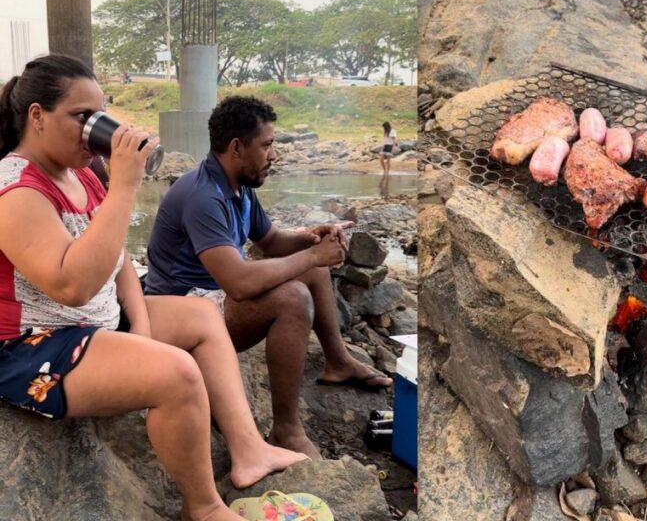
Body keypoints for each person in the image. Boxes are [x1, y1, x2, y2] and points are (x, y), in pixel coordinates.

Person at [0, 54, 307, 521]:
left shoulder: (82, 172)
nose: (95, 128)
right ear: (37, 116)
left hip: (96, 321)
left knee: (203, 315)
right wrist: (125, 186)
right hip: (35, 343)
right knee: (176, 374)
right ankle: (203, 508)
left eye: (100, 114)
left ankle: (248, 449)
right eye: (83, 117)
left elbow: (119, 257)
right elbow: (72, 286)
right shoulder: (16, 189)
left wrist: (139, 328)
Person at [144, 96, 393, 460]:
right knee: (293, 298)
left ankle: (337, 361)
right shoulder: (202, 197)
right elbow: (239, 284)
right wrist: (312, 254)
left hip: (211, 298)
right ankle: (286, 429)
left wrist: (311, 239)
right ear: (236, 148)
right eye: (267, 146)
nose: (273, 155)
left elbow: (272, 241)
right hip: (181, 316)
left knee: (311, 266)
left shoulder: (238, 185)